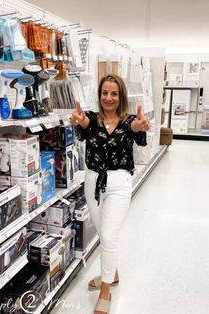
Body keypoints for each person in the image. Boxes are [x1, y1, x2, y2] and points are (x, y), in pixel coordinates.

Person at [69, 74, 149, 314]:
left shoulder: (130, 121)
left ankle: (105, 289)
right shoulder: (92, 119)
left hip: (119, 183)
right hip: (93, 182)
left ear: (121, 96)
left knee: (109, 235)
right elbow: (83, 124)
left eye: (114, 93)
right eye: (105, 93)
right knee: (103, 235)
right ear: (100, 95)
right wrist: (79, 119)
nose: (108, 97)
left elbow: (138, 133)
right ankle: (112, 274)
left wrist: (138, 126)